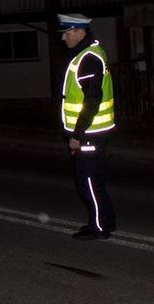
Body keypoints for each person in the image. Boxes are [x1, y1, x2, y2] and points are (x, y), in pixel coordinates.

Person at [58, 13, 116, 240]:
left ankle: (100, 228)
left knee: (89, 183)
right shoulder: (89, 54)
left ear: (78, 31)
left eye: (66, 32)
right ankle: (104, 222)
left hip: (89, 134)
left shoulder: (88, 58)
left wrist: (77, 135)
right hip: (94, 133)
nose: (64, 38)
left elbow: (91, 101)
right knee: (93, 181)